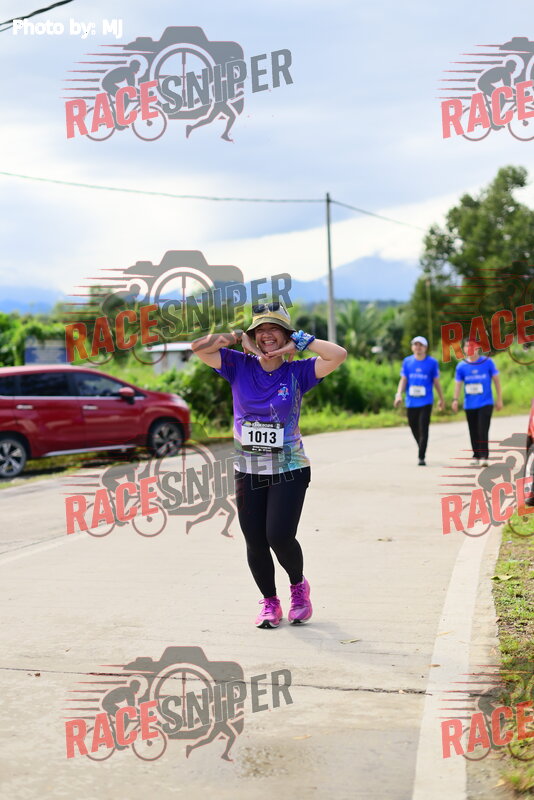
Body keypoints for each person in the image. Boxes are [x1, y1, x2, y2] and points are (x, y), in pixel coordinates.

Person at [192, 301, 347, 628]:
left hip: (290, 468)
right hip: (248, 470)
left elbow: (338, 355)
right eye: (260, 330)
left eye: (274, 329)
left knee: (278, 535)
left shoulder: (298, 372)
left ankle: (298, 587)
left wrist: (300, 342)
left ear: (286, 334)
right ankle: (269, 602)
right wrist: (238, 337)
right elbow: (199, 347)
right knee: (255, 540)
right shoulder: (237, 365)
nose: (267, 335)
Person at [452, 338, 503, 467]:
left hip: (486, 402)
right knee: (473, 429)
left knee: (483, 429)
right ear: (464, 349)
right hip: (470, 404)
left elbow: (496, 381)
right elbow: (458, 384)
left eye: (473, 346)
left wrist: (499, 399)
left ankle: (484, 456)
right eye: (467, 346)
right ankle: (476, 454)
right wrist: (455, 400)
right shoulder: (461, 366)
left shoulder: (488, 362)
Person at [394, 336, 445, 465]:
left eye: (420, 345)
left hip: (426, 401)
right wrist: (398, 394)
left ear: (425, 347)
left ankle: (421, 456)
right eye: (415, 345)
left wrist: (441, 398)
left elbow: (436, 382)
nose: (418, 347)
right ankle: (421, 445)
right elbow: (404, 380)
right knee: (413, 426)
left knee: (423, 427)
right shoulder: (407, 361)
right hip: (411, 401)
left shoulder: (432, 362)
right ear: (412, 347)